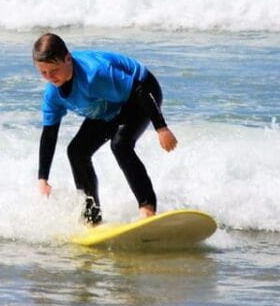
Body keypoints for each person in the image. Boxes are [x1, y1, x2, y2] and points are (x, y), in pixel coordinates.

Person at [32, 33, 178, 224]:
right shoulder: (53, 95)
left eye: (54, 70)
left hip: (141, 93)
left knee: (120, 145)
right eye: (43, 72)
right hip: (106, 106)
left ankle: (147, 208)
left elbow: (139, 90)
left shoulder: (96, 74)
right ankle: (92, 218)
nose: (50, 77)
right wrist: (43, 178)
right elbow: (49, 134)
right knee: (76, 151)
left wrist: (161, 128)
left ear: (68, 58)